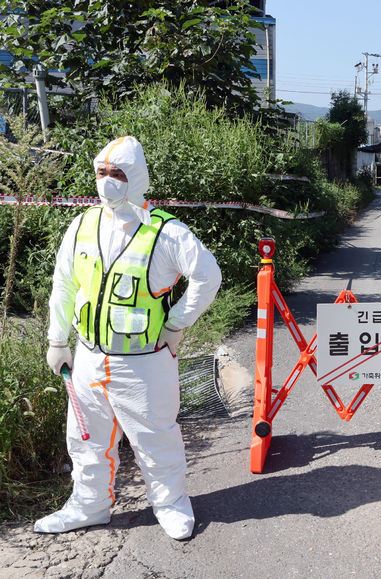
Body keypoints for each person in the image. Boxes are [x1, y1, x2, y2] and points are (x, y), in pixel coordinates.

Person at [36, 136, 222, 540]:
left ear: (136, 178)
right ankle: (89, 505)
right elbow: (64, 286)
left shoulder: (165, 233)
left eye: (117, 174)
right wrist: (57, 340)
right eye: (101, 173)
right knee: (85, 438)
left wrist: (176, 324)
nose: (107, 182)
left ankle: (171, 504)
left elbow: (208, 276)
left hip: (144, 362)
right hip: (88, 357)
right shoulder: (82, 224)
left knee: (155, 437)